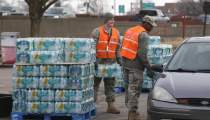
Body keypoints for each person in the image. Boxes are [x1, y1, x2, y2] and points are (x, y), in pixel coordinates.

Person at [120, 15, 157, 120]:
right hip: (135, 66)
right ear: (146, 24)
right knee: (134, 90)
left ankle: (131, 111)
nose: (152, 28)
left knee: (129, 89)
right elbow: (142, 55)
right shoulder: (143, 35)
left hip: (126, 64)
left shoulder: (130, 30)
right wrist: (149, 68)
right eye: (151, 26)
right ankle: (132, 114)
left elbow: (123, 47)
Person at [91, 12, 121, 114]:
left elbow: (117, 49)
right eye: (110, 19)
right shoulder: (97, 31)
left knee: (110, 85)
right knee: (95, 85)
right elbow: (92, 47)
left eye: (113, 19)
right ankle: (92, 106)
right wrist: (93, 60)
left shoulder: (116, 33)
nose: (112, 21)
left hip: (111, 63)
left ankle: (111, 106)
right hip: (98, 62)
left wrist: (119, 61)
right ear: (106, 21)